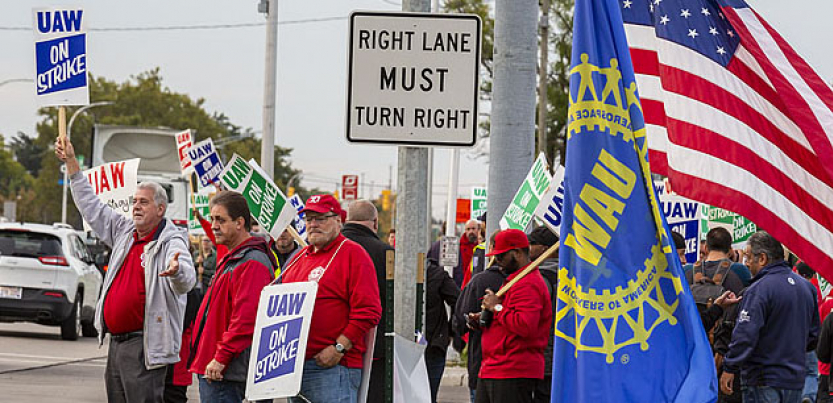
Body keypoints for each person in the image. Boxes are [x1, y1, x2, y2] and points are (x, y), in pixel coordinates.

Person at [56, 137, 196, 402]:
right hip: (117, 343)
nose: (136, 206)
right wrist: (72, 163)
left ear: (160, 209)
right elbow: (91, 206)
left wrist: (176, 271)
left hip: (144, 345)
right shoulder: (124, 231)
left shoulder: (170, 240)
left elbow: (186, 280)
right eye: (135, 201)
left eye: (143, 202)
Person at [280, 195, 382, 403]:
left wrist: (339, 348)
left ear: (339, 220)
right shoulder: (298, 258)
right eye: (309, 219)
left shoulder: (353, 254)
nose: (313, 224)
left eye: (321, 218)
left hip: (332, 368)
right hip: (295, 367)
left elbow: (369, 311)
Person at [188, 191, 277, 402]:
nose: (214, 225)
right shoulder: (235, 257)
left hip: (225, 373)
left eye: (220, 220)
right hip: (216, 369)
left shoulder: (252, 262)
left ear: (239, 222)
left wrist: (221, 358)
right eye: (212, 219)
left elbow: (245, 319)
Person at [720, 231, 820, 402]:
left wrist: (730, 367)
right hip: (793, 379)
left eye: (749, 257)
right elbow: (812, 336)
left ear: (763, 259)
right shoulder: (807, 288)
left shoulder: (758, 289)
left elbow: (745, 335)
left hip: (763, 378)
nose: (747, 263)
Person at [475, 229, 552, 403]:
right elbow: (508, 317)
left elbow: (524, 325)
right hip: (494, 367)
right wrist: (483, 317)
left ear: (517, 253)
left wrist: (496, 307)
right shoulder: (514, 281)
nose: (497, 261)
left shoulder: (528, 284)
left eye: (501, 256)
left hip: (512, 370)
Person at [341, 200, 394, 403]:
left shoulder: (332, 251)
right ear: (375, 222)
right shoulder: (385, 253)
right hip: (376, 347)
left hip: (333, 348)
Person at [454, 232, 504, 403]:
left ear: (490, 249)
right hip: (520, 372)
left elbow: (461, 318)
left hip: (482, 363)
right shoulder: (530, 281)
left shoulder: (479, 281)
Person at [424, 244, 460, 403]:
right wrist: (450, 331)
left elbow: (458, 301)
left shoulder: (396, 274)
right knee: (429, 394)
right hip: (434, 341)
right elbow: (459, 301)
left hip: (418, 343)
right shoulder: (438, 274)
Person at [526, 226, 558, 403]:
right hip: (566, 356)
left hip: (544, 357)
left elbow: (530, 319)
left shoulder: (541, 278)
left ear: (546, 249)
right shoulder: (573, 275)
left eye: (532, 244)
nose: (528, 248)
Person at [460, 219, 481, 288]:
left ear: (478, 229)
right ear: (465, 231)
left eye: (473, 228)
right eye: (468, 229)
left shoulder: (482, 247)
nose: (471, 231)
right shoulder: (459, 247)